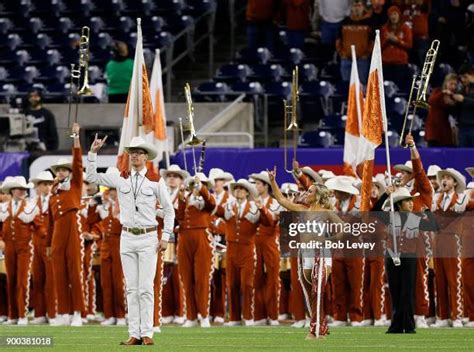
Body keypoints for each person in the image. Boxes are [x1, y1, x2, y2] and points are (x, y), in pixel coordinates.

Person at [86, 133, 174, 346]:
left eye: (138, 153)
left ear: (146, 157)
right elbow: (92, 178)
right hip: (126, 236)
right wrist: (92, 154)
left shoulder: (156, 181)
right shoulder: (119, 176)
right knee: (132, 289)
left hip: (148, 237)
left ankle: (147, 332)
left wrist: (165, 237)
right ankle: (134, 333)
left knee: (145, 287)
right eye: (131, 153)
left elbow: (169, 211)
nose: (134, 156)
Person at [268, 166, 343, 340]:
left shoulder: (326, 212)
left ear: (317, 195)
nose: (306, 194)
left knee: (318, 292)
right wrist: (272, 181)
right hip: (305, 253)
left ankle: (315, 331)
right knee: (310, 293)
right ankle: (320, 326)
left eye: (310, 191)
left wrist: (329, 241)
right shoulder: (302, 210)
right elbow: (281, 199)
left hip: (321, 253)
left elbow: (343, 228)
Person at [373, 187, 436, 334]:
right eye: (407, 201)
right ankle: (396, 325)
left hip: (409, 259)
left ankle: (408, 325)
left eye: (411, 201)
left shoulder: (415, 218)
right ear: (399, 204)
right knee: (395, 292)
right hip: (392, 257)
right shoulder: (390, 216)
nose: (411, 203)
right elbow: (374, 211)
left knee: (407, 293)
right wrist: (386, 194)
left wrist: (429, 214)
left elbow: (433, 226)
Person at [215, 179, 272, 326]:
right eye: (237, 188)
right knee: (231, 285)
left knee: (247, 285)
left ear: (247, 192)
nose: (238, 191)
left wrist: (262, 209)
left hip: (247, 250)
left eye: (242, 189)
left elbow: (268, 222)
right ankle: (234, 318)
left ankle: (248, 317)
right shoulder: (228, 205)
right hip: (231, 250)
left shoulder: (254, 207)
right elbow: (212, 208)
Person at [46, 124, 86, 327]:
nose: (61, 172)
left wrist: (76, 138)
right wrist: (48, 245)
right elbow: (50, 223)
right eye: (58, 170)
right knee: (59, 274)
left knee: (75, 272)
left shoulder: (75, 186)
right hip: (57, 236)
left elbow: (78, 164)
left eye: (64, 170)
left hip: (72, 230)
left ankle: (78, 312)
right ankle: (63, 312)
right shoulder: (53, 195)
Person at [175, 172, 216, 328]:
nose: (197, 186)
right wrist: (180, 197)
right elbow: (178, 216)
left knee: (202, 279)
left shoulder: (206, 199)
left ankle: (204, 315)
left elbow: (211, 204)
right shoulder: (186, 199)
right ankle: (191, 316)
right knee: (186, 278)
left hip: (201, 236)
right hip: (185, 236)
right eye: (195, 184)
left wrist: (203, 189)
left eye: (200, 184)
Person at [431, 168, 467, 328]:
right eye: (443, 178)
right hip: (438, 241)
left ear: (454, 183)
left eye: (448, 178)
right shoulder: (436, 199)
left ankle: (457, 315)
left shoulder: (461, 198)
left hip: (453, 240)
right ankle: (442, 316)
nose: (444, 180)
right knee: (440, 280)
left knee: (454, 280)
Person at [0, 176, 37, 325]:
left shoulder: (30, 206)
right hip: (9, 247)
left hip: (24, 247)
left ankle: (22, 315)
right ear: (12, 191)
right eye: (18, 189)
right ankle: (12, 315)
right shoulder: (3, 207)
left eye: (23, 189)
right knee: (11, 281)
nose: (22, 191)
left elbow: (38, 226)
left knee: (22, 281)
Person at [249, 171, 282, 326]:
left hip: (270, 243)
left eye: (258, 184)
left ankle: (273, 316)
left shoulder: (275, 203)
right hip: (255, 243)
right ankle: (259, 316)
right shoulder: (252, 202)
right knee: (257, 280)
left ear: (265, 186)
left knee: (272, 280)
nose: (255, 186)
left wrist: (261, 208)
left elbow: (270, 222)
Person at [95, 168, 126, 327]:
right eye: (110, 189)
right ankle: (109, 315)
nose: (112, 192)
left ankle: (121, 315)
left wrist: (117, 208)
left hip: (120, 243)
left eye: (114, 189)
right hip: (106, 245)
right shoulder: (104, 205)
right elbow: (96, 222)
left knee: (118, 281)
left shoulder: (126, 204)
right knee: (105, 282)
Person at [29, 171, 57, 325]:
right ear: (37, 187)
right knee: (38, 279)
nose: (47, 187)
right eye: (43, 184)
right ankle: (40, 314)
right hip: (35, 245)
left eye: (49, 184)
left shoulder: (55, 200)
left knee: (51, 280)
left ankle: (53, 314)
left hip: (51, 244)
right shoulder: (31, 202)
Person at [336, 0, 373, 84]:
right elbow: (338, 40)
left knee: (361, 85)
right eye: (354, 6)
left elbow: (372, 42)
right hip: (346, 59)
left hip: (362, 60)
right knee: (346, 86)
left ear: (363, 8)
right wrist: (341, 53)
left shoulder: (369, 22)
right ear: (351, 8)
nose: (356, 8)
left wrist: (366, 54)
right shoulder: (345, 22)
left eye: (359, 6)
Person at [380, 6, 413, 89]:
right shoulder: (384, 29)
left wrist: (397, 40)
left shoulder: (405, 28)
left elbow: (409, 45)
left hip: (400, 63)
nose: (393, 16)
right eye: (391, 15)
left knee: (399, 87)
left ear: (399, 15)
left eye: (395, 14)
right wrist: (387, 40)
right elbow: (379, 46)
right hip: (386, 63)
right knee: (387, 87)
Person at [424, 74, 458, 147]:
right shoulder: (437, 91)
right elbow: (431, 101)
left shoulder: (454, 97)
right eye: (451, 84)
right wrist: (443, 93)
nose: (453, 87)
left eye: (455, 84)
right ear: (446, 83)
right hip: (433, 131)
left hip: (445, 132)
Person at [450, 65, 474, 147]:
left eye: (465, 77)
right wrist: (453, 103)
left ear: (472, 75)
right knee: (463, 155)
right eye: (461, 78)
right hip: (463, 127)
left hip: (472, 127)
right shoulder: (461, 90)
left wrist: (464, 100)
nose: (463, 80)